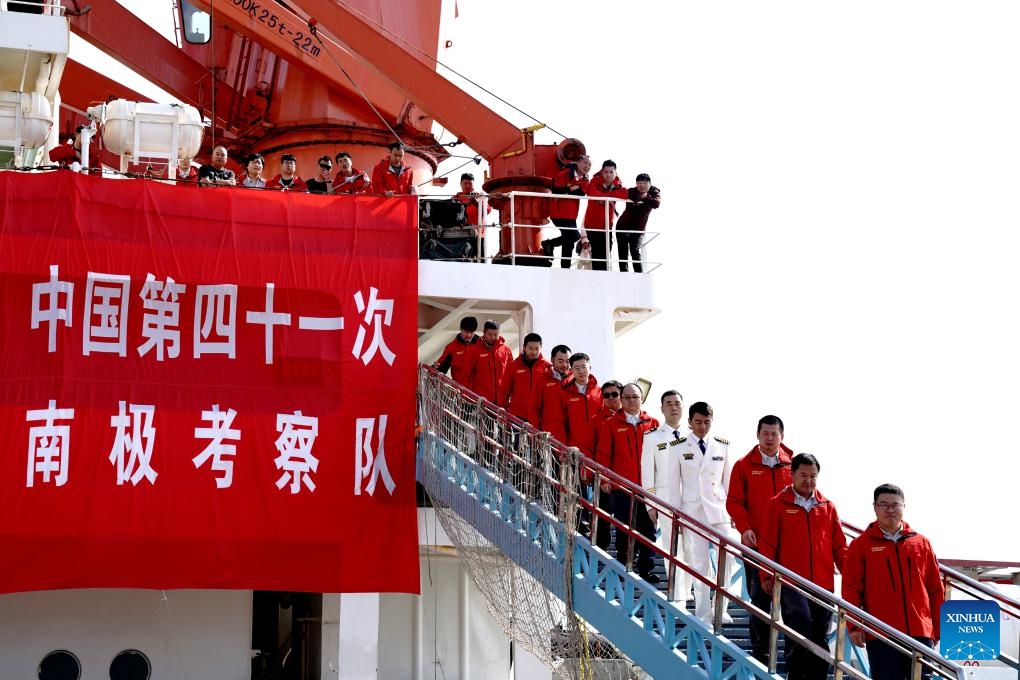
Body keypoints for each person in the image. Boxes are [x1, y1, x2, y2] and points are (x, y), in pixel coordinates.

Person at [758, 453, 848, 680]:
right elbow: (767, 544)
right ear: (792, 474)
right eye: (804, 475)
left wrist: (850, 575)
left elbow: (839, 546)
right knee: (799, 620)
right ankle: (796, 673)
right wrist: (766, 576)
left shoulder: (827, 506)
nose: (808, 480)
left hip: (823, 583)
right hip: (791, 581)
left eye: (813, 476)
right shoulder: (777, 504)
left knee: (820, 632)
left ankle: (817, 676)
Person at [842, 484, 943, 680]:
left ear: (904, 507)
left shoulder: (922, 543)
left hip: (920, 633)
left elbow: (935, 589)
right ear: (874, 507)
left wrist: (936, 628)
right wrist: (854, 626)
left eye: (895, 505)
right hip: (881, 633)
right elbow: (851, 589)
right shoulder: (861, 545)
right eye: (884, 505)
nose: (890, 510)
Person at [725, 414, 794, 663]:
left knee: (791, 600)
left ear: (782, 436)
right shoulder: (744, 465)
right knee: (760, 598)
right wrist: (744, 528)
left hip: (789, 547)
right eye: (765, 433)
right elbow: (734, 501)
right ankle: (761, 650)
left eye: (774, 434)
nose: (769, 438)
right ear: (757, 435)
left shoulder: (793, 465)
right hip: (756, 544)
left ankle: (791, 652)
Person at [675, 402, 740, 625]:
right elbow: (675, 486)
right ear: (690, 422)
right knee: (699, 564)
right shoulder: (678, 447)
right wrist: (677, 516)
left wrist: (733, 514)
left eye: (707, 422)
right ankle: (702, 613)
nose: (703, 427)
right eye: (698, 422)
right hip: (693, 511)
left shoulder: (722, 446)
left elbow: (729, 483)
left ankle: (720, 608)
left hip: (719, 511)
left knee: (727, 559)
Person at [596, 383, 660, 581]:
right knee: (625, 528)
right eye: (627, 397)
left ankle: (646, 568)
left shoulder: (653, 423)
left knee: (649, 529)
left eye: (635, 397)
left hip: (649, 488)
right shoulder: (611, 424)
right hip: (622, 487)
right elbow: (604, 453)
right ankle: (625, 564)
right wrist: (605, 478)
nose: (631, 401)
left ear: (642, 399)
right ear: (621, 400)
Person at [640, 389, 693, 603]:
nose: (673, 407)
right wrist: (650, 505)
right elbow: (647, 472)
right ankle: (677, 593)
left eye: (677, 403)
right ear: (661, 409)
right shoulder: (653, 438)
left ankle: (688, 591)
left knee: (691, 548)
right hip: (665, 500)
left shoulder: (693, 437)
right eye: (668, 404)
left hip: (691, 501)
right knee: (672, 547)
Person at [547, 353, 603, 456]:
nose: (581, 371)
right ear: (571, 370)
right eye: (576, 368)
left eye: (583, 367)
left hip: (600, 447)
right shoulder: (564, 394)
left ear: (590, 367)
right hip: (575, 450)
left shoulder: (601, 392)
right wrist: (562, 448)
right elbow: (559, 423)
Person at [542, 155, 592, 268]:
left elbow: (582, 192)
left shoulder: (584, 179)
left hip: (571, 215)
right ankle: (549, 243)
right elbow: (555, 189)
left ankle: (565, 266)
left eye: (589, 164)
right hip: (559, 212)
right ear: (578, 162)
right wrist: (571, 189)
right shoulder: (565, 173)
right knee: (574, 236)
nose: (587, 166)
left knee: (569, 241)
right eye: (585, 163)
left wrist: (567, 190)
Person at [583, 159, 628, 271]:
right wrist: (609, 197)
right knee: (598, 254)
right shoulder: (594, 181)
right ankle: (599, 276)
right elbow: (591, 193)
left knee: (607, 251)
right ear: (602, 172)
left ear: (615, 173)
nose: (608, 175)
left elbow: (624, 193)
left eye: (611, 172)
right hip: (592, 224)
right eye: (606, 172)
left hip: (607, 226)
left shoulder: (618, 185)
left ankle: (602, 276)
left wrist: (605, 197)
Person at [499, 332, 551, 424]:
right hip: (518, 416)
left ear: (541, 348)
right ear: (524, 347)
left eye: (536, 349)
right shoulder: (513, 366)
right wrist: (502, 409)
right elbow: (504, 391)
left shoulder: (548, 367)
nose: (533, 352)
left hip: (539, 417)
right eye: (530, 348)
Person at [615, 173, 661, 273]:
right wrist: (646, 198)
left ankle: (639, 274)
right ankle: (624, 274)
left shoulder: (655, 193)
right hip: (622, 226)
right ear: (636, 184)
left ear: (650, 184)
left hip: (638, 229)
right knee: (622, 253)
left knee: (635, 251)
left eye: (645, 183)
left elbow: (656, 203)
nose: (642, 185)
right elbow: (634, 196)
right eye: (639, 183)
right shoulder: (632, 191)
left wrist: (645, 197)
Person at [466, 319, 512, 403]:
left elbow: (511, 375)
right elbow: (467, 375)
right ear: (484, 332)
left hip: (502, 402)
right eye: (490, 334)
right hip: (482, 402)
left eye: (496, 334)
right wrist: (469, 397)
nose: (493, 337)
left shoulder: (506, 350)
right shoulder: (474, 351)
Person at [533, 344, 572, 434]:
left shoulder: (575, 380)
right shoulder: (542, 381)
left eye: (568, 361)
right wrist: (536, 432)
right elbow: (534, 408)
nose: (565, 365)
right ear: (552, 360)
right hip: (550, 435)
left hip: (572, 436)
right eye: (560, 361)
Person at [433, 316, 479, 387]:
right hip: (461, 392)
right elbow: (443, 368)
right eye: (466, 331)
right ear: (461, 329)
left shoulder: (482, 345)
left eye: (471, 332)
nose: (469, 335)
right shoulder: (451, 348)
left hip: (480, 393)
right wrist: (435, 367)